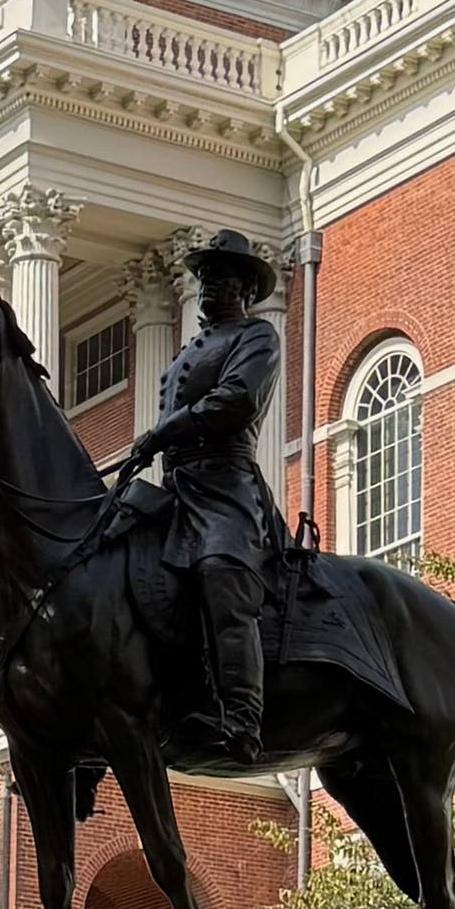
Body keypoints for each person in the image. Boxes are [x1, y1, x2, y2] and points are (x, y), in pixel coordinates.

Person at [110, 225, 286, 759]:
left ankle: (242, 720)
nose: (213, 287)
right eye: (208, 277)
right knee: (113, 551)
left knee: (220, 572)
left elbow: (235, 401)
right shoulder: (191, 348)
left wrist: (161, 434)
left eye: (226, 279)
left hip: (225, 485)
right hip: (177, 487)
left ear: (246, 291)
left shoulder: (257, 338)